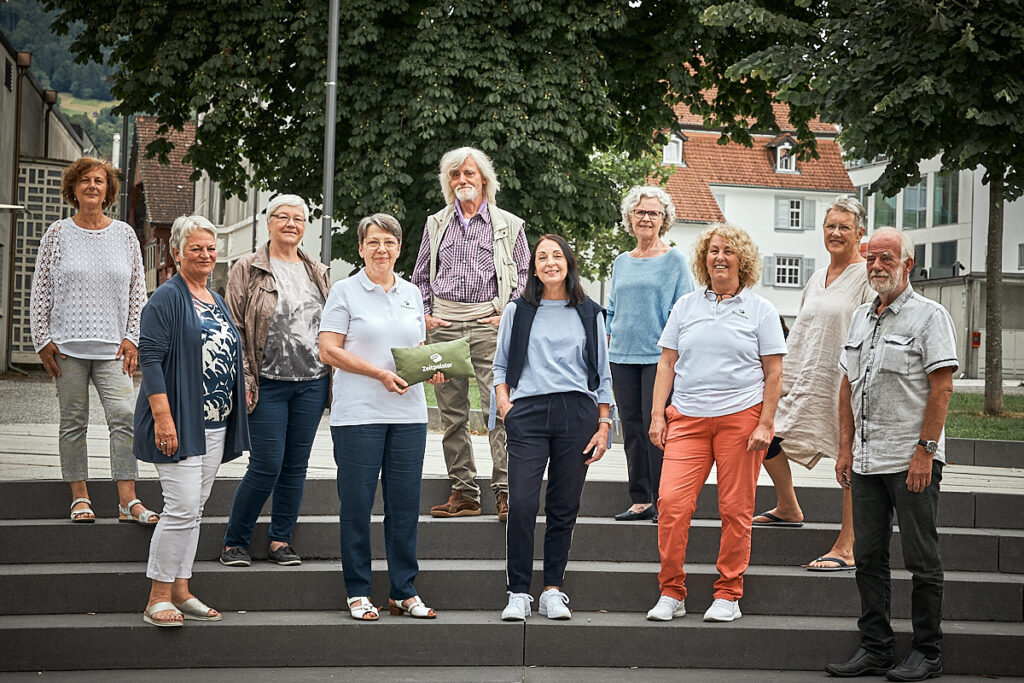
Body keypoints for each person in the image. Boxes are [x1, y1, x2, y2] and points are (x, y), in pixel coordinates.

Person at [826, 228, 956, 681]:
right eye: (871, 258)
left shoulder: (929, 317)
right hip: (864, 461)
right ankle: (877, 647)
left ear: (908, 265)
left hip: (910, 461)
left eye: (887, 258)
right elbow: (846, 384)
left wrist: (925, 451)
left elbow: (942, 387)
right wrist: (844, 448)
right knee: (869, 557)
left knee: (922, 557)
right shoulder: (862, 317)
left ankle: (928, 651)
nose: (877, 265)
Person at [646, 224, 785, 623]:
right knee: (671, 504)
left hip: (740, 419)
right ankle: (672, 591)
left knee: (735, 508)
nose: (719, 257)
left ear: (743, 259)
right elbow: (667, 363)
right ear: (703, 259)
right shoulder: (686, 306)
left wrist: (765, 424)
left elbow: (773, 373)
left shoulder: (761, 310)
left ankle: (728, 593)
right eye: (712, 251)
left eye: (727, 251)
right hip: (687, 418)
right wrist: (658, 415)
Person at [319, 214, 444, 621]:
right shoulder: (344, 291)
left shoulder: (411, 293)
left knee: (405, 507)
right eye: (373, 242)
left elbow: (417, 348)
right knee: (357, 505)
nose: (381, 249)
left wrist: (433, 367)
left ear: (398, 248)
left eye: (389, 242)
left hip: (408, 414)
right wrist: (377, 373)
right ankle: (357, 590)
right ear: (360, 248)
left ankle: (403, 591)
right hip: (358, 415)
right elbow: (328, 351)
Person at [134, 215, 250, 627]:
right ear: (177, 252)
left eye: (210, 248)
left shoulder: (214, 298)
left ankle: (182, 590)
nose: (205, 255)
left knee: (195, 510)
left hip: (214, 423)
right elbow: (149, 359)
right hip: (180, 421)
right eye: (196, 248)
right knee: (181, 508)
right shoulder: (165, 298)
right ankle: (158, 596)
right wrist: (164, 419)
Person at [29, 157, 157, 525]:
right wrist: (42, 340)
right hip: (66, 348)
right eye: (84, 180)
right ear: (73, 189)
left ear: (108, 190)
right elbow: (41, 291)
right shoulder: (57, 234)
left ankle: (127, 500)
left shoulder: (125, 235)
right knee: (73, 422)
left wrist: (133, 338)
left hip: (113, 348)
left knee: (124, 417)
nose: (91, 186)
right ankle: (80, 496)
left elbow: (137, 292)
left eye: (99, 180)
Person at [493, 234, 613, 621]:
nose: (549, 262)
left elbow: (603, 375)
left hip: (576, 413)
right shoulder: (518, 310)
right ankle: (517, 593)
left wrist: (604, 423)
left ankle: (552, 590)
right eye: (541, 257)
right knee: (524, 503)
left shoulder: (589, 312)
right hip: (527, 413)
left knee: (564, 506)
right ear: (533, 267)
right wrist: (505, 406)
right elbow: (499, 366)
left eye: (556, 255)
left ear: (568, 263)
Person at [752, 197, 874, 573]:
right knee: (767, 434)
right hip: (805, 376)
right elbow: (804, 332)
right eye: (830, 225)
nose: (836, 233)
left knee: (847, 454)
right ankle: (788, 506)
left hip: (844, 381)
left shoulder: (866, 278)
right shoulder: (816, 276)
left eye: (844, 227)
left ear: (859, 233)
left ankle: (848, 543)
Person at [411, 146, 530, 521]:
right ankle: (463, 492)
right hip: (444, 326)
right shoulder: (435, 223)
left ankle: (505, 492)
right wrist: (427, 316)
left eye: (469, 174)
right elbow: (420, 276)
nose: (463, 180)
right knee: (451, 412)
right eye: (456, 175)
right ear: (449, 182)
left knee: (497, 408)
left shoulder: (509, 224)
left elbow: (525, 278)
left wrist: (506, 313)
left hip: (486, 324)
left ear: (484, 180)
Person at [220, 195, 330, 568]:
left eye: (298, 218)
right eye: (282, 217)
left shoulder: (318, 270)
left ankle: (281, 540)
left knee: (296, 465)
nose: (290, 223)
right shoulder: (247, 268)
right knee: (266, 463)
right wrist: (246, 377)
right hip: (266, 382)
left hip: (311, 382)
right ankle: (235, 540)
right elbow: (234, 326)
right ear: (268, 223)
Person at [607, 185, 693, 522]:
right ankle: (640, 498)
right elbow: (612, 308)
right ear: (630, 217)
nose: (646, 217)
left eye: (653, 213)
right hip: (621, 356)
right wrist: (609, 339)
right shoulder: (621, 261)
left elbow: (683, 310)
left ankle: (664, 500)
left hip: (658, 360)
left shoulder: (675, 259)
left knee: (655, 427)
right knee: (629, 428)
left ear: (664, 219)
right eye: (640, 212)